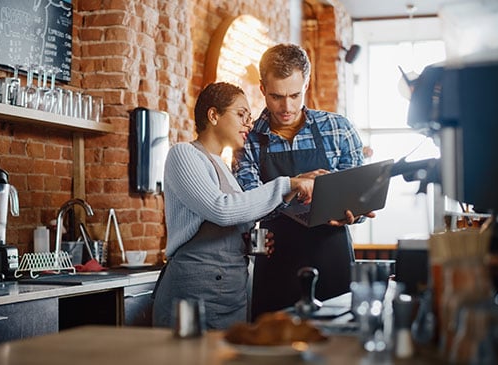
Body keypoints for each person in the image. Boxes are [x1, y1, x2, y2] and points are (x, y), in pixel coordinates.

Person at [152, 82, 316, 330]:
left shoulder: (223, 168)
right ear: (213, 115)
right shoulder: (183, 155)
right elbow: (222, 210)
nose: (248, 124)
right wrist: (287, 185)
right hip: (193, 295)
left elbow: (227, 222)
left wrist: (249, 242)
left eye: (249, 118)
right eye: (241, 115)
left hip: (230, 295)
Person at [233, 43, 374, 320]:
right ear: (262, 89)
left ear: (306, 84)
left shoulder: (338, 128)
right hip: (277, 263)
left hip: (332, 258)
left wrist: (354, 213)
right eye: (276, 96)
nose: (286, 106)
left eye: (295, 95)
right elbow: (248, 206)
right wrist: (294, 185)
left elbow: (360, 198)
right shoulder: (246, 140)